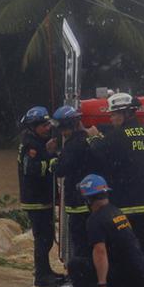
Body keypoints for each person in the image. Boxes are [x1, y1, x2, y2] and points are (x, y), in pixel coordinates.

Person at [87, 92, 144, 272]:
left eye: (114, 114)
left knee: (126, 249)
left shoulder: (117, 136)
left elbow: (98, 152)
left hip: (129, 204)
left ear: (127, 114)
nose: (111, 118)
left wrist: (93, 136)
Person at [75, 174, 144, 287]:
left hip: (124, 275)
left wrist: (102, 284)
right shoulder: (116, 211)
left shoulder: (95, 220)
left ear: (88, 200)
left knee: (76, 265)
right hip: (138, 271)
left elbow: (100, 251)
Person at [17, 106, 61, 287]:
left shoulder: (37, 141)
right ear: (33, 127)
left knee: (47, 236)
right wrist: (54, 161)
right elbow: (32, 169)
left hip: (43, 198)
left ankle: (45, 271)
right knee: (43, 238)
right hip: (36, 200)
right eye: (43, 125)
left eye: (47, 124)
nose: (48, 128)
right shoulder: (30, 144)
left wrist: (47, 150)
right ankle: (41, 276)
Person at [52, 105, 91, 258]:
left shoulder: (73, 145)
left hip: (77, 202)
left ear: (72, 125)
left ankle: (79, 278)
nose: (62, 132)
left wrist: (53, 160)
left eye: (63, 128)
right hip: (89, 200)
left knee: (79, 244)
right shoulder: (87, 139)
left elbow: (61, 170)